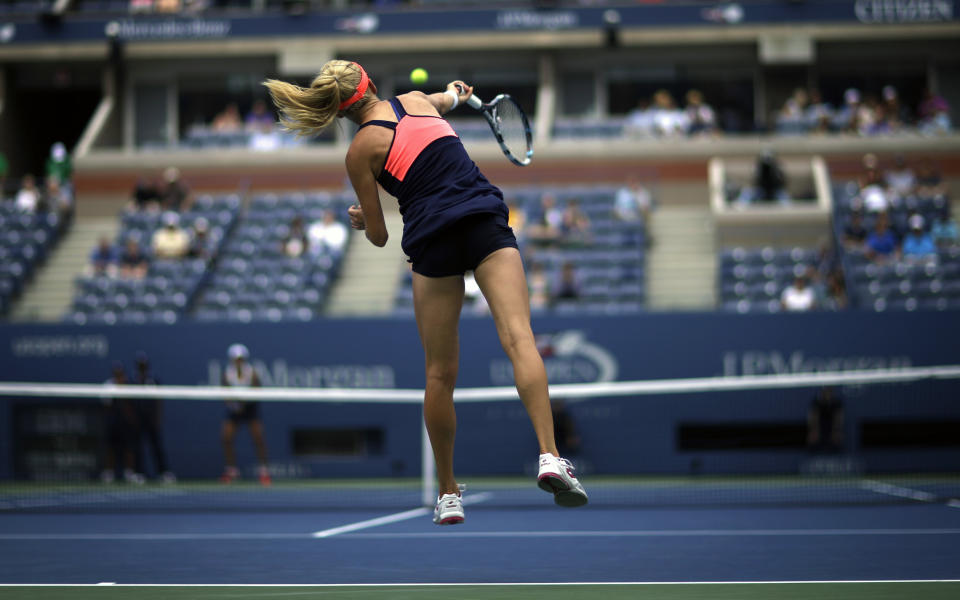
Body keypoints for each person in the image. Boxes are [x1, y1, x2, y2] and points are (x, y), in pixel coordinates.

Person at [264, 60, 587, 525]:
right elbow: (444, 99)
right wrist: (454, 95)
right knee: (520, 340)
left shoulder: (360, 151)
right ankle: (550, 456)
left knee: (438, 375)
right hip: (481, 222)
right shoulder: (416, 102)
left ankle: (448, 493)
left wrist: (361, 217)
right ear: (371, 84)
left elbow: (378, 236)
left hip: (432, 239)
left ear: (336, 110)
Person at [220, 343, 271, 486]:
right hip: (234, 409)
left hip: (250, 408)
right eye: (236, 359)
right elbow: (225, 394)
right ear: (231, 359)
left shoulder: (252, 372)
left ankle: (264, 472)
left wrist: (244, 403)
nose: (238, 361)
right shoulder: (227, 374)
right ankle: (231, 470)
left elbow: (257, 391)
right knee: (226, 437)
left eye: (241, 358)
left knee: (259, 438)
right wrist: (234, 405)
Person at [131, 351, 175, 483]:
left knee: (156, 446)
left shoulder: (154, 380)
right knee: (137, 447)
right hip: (138, 419)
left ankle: (163, 472)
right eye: (140, 365)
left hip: (151, 419)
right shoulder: (132, 380)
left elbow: (158, 401)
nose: (142, 367)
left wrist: (157, 417)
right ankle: (138, 473)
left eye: (144, 364)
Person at [100, 362, 145, 485]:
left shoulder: (130, 385)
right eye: (116, 373)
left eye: (120, 373)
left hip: (127, 424)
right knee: (111, 448)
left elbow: (133, 405)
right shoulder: (108, 386)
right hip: (113, 423)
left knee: (129, 448)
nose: (119, 375)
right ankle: (109, 473)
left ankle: (129, 473)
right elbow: (106, 405)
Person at [808, 387, 844, 454]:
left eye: (829, 392)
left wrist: (836, 430)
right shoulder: (817, 403)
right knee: (813, 438)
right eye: (826, 392)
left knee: (837, 439)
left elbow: (838, 419)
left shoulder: (836, 404)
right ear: (822, 393)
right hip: (820, 427)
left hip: (831, 427)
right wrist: (814, 430)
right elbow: (813, 417)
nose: (828, 394)